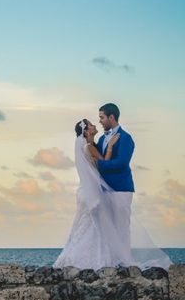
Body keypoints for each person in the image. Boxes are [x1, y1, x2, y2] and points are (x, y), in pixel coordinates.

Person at [53, 104, 172, 270]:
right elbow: (100, 160)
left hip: (121, 189)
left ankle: (125, 261)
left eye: (102, 117)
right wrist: (102, 156)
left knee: (122, 225)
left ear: (111, 117)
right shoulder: (101, 140)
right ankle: (114, 260)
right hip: (104, 190)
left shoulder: (126, 138)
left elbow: (121, 163)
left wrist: (98, 164)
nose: (99, 121)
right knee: (109, 227)